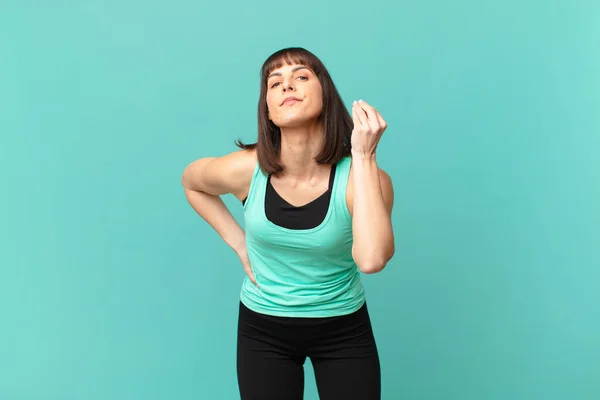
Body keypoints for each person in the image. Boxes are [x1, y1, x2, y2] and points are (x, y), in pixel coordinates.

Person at [181, 47, 395, 400]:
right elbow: (191, 181)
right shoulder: (246, 169)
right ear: (267, 108)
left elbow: (372, 260)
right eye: (274, 82)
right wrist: (238, 242)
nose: (286, 86)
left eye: (301, 76)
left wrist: (364, 156)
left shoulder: (363, 178)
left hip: (343, 329)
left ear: (325, 93)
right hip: (263, 329)